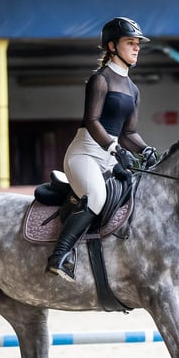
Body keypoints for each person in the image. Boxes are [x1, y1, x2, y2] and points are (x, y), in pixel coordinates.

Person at [45, 17, 158, 282]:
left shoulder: (133, 89)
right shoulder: (100, 80)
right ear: (112, 46)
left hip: (109, 156)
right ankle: (59, 256)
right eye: (130, 42)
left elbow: (129, 132)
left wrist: (147, 150)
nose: (136, 47)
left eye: (138, 43)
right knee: (96, 196)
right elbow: (93, 121)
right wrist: (115, 148)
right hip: (85, 153)